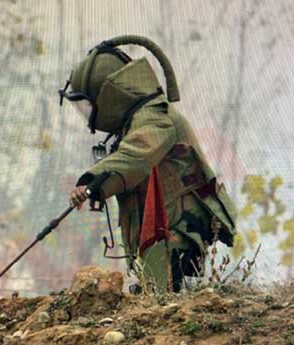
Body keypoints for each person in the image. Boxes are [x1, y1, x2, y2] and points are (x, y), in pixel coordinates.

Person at [59, 35, 237, 293]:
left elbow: (136, 155)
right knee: (155, 295)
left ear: (109, 95)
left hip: (177, 228)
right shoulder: (137, 119)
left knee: (164, 300)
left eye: (88, 105)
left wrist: (91, 183)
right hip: (166, 228)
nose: (88, 116)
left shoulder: (155, 117)